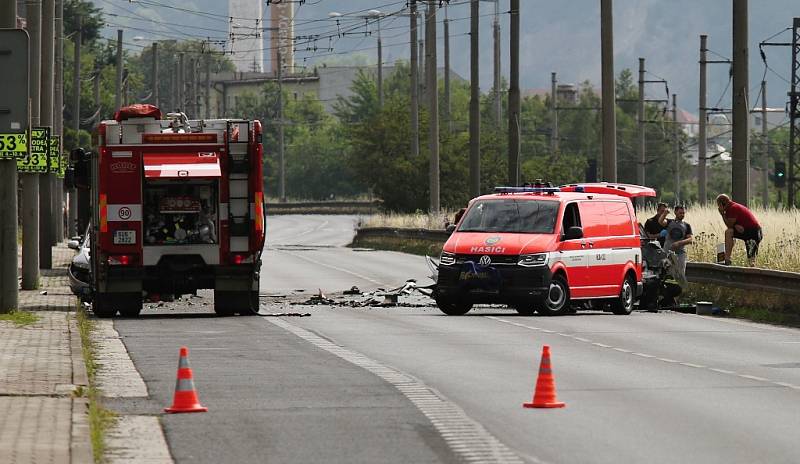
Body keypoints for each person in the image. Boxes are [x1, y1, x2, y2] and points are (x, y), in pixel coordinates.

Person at [716, 194, 762, 266]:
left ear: (722, 204)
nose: (718, 208)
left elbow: (729, 225)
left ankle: (727, 259)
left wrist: (722, 214)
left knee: (751, 259)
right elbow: (732, 227)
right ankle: (726, 259)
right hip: (749, 231)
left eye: (718, 205)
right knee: (730, 233)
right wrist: (735, 225)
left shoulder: (732, 208)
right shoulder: (732, 207)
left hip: (753, 232)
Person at [659, 204, 693, 278]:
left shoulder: (687, 225)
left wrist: (679, 243)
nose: (682, 215)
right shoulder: (669, 222)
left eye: (683, 213)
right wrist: (664, 214)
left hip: (680, 253)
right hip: (667, 252)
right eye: (680, 213)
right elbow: (661, 221)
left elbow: (690, 239)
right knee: (666, 273)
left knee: (680, 274)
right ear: (675, 212)